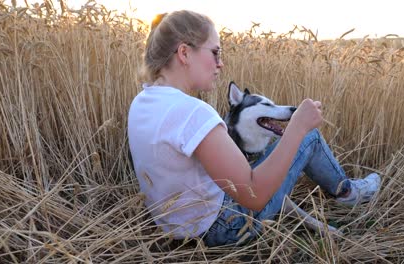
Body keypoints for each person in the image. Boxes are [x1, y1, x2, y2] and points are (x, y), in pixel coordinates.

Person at [127, 10, 381, 247]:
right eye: (215, 52)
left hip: (176, 228)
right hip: (224, 227)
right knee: (310, 137)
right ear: (184, 53)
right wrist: (298, 128)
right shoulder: (194, 112)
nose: (220, 63)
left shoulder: (143, 101)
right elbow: (254, 195)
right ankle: (348, 193)